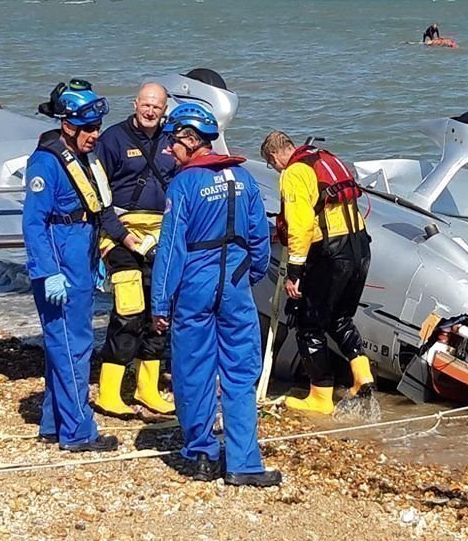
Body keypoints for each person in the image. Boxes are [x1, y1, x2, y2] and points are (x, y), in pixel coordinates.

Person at [149, 101, 279, 487]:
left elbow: (171, 250)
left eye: (173, 142)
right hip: (235, 285)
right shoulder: (243, 178)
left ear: (191, 141)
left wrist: (160, 303)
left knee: (194, 371)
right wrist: (248, 276)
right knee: (241, 373)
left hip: (196, 286)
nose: (169, 150)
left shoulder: (184, 184)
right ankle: (244, 462)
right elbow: (260, 240)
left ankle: (202, 454)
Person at [22, 80, 131, 453]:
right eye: (88, 128)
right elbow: (34, 223)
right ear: (68, 125)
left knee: (65, 343)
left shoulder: (85, 155)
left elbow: (99, 206)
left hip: (81, 252)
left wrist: (126, 242)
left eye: (98, 127)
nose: (95, 135)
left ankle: (54, 422)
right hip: (61, 260)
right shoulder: (46, 163)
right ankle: (79, 432)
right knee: (73, 344)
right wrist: (48, 270)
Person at [261, 130, 374, 416]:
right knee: (340, 317)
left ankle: (320, 395)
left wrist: (295, 272)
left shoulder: (294, 173)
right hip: (359, 247)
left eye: (271, 165)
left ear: (274, 156)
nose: (275, 170)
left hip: (329, 254)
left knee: (308, 323)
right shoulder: (326, 160)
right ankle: (363, 377)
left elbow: (300, 224)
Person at [90, 81, 178, 418]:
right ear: (135, 103)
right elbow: (98, 197)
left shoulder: (172, 140)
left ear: (164, 108)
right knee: (129, 310)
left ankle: (148, 390)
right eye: (146, 104)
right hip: (120, 234)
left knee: (158, 312)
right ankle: (109, 392)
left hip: (160, 236)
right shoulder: (112, 139)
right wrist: (122, 236)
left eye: (157, 105)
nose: (151, 110)